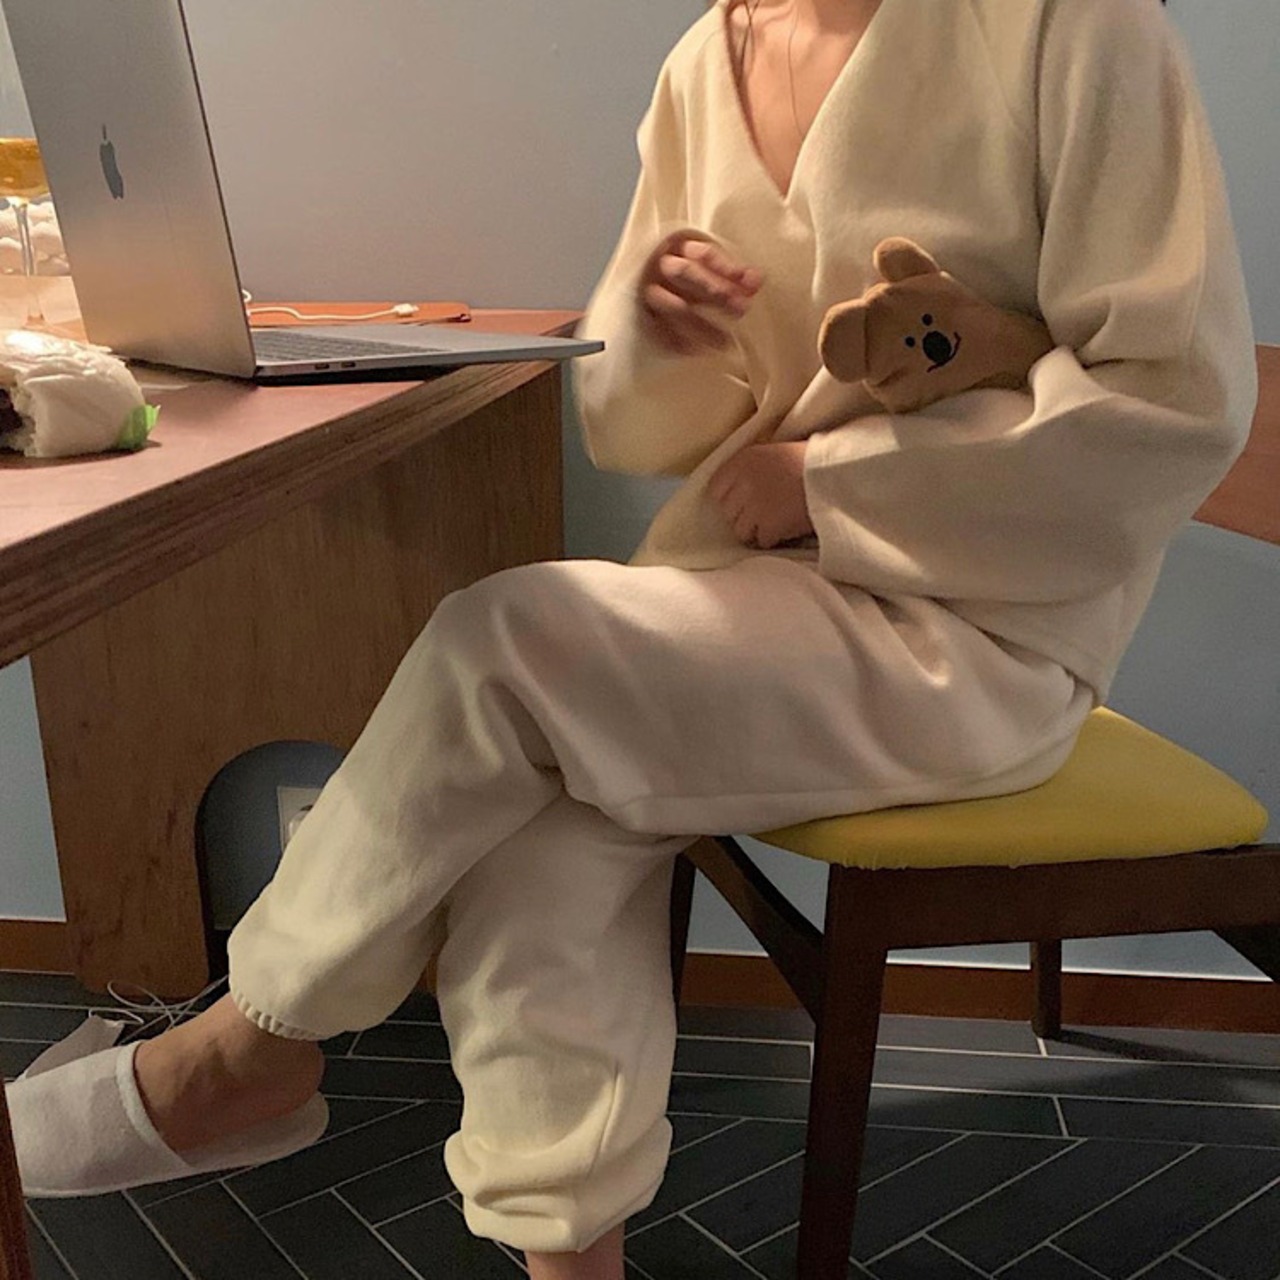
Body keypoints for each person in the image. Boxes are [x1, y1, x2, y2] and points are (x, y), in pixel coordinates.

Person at [11, 2, 1256, 1278]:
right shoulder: (705, 63)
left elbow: (1174, 398)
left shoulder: (1067, 25)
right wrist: (659, 332)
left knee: (502, 641)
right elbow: (636, 426)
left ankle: (246, 1047)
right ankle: (567, 1260)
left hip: (978, 636)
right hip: (747, 598)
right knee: (539, 832)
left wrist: (835, 482)